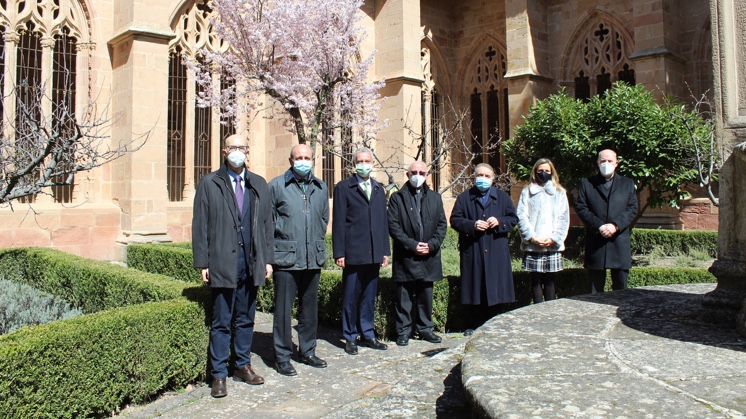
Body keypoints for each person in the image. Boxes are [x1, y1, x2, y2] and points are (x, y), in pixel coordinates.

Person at [192, 134, 274, 398]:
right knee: (221, 320)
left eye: (242, 147)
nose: (237, 151)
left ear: (247, 151)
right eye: (232, 147)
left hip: (250, 261)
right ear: (224, 151)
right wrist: (203, 261)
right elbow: (200, 223)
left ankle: (242, 365)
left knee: (246, 318)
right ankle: (218, 374)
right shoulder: (209, 183)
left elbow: (266, 226)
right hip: (223, 260)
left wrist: (267, 259)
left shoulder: (258, 183)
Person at [268, 144, 329, 376]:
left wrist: (312, 241)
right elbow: (270, 221)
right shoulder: (276, 185)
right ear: (290, 160)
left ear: (313, 159)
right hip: (286, 258)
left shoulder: (320, 187)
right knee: (283, 311)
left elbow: (323, 219)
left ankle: (308, 350)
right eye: (299, 157)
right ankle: (282, 356)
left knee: (309, 309)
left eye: (307, 157)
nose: (303, 161)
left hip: (312, 257)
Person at [332, 147, 390, 355]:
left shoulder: (378, 188)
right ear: (354, 164)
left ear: (372, 163)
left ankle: (368, 333)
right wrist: (339, 252)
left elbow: (383, 222)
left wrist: (385, 250)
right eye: (360, 161)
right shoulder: (344, 188)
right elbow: (338, 222)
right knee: (350, 296)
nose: (364, 164)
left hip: (374, 253)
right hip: (353, 252)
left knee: (369, 296)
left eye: (367, 161)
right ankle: (350, 336)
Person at [450, 163, 518, 336]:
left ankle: (495, 322)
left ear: (493, 179)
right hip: (473, 249)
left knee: (495, 287)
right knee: (475, 286)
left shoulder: (502, 197)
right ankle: (473, 324)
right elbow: (455, 220)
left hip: (496, 249)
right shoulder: (464, 198)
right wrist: (471, 225)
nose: (483, 179)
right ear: (474, 177)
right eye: (480, 175)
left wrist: (499, 221)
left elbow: (512, 219)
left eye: (487, 176)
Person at [388, 161, 448, 346]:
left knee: (425, 294)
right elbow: (393, 226)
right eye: (414, 172)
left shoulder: (435, 198)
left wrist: (431, 245)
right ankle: (403, 331)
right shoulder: (397, 197)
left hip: (429, 255)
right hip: (406, 255)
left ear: (427, 175)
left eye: (422, 172)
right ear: (407, 175)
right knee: (403, 296)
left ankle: (425, 329)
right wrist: (413, 245)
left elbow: (442, 225)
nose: (417, 175)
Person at [575, 149, 638, 293]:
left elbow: (632, 208)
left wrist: (615, 225)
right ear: (598, 162)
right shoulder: (586, 183)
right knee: (594, 292)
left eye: (610, 161)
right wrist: (599, 226)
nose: (606, 164)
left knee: (621, 291)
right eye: (603, 161)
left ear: (616, 163)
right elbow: (582, 207)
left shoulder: (627, 183)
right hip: (596, 241)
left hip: (619, 241)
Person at [515, 158, 570, 303]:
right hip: (534, 244)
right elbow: (521, 215)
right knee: (536, 280)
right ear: (535, 172)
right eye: (540, 171)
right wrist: (532, 237)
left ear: (552, 172)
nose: (543, 173)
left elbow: (563, 218)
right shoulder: (527, 191)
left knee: (551, 281)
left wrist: (554, 238)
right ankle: (537, 310)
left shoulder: (559, 192)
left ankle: (550, 311)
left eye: (547, 171)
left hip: (552, 244)